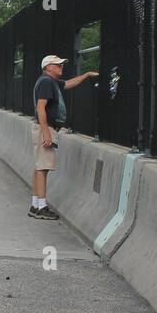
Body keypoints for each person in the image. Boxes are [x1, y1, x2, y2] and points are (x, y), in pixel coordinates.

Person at [30, 55, 98, 219]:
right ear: (48, 67)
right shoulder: (46, 82)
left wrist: (87, 74)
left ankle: (35, 204)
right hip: (45, 128)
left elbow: (68, 84)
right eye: (57, 64)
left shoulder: (51, 82)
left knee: (39, 167)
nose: (61, 66)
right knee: (43, 168)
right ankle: (41, 206)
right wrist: (46, 132)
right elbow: (41, 107)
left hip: (44, 128)